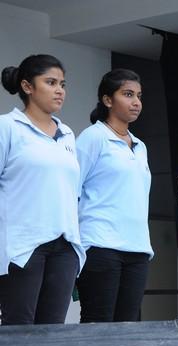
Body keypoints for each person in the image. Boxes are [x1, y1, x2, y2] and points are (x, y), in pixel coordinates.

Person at [0, 54, 84, 325]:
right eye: (51, 82)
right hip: (22, 245)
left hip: (65, 245)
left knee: (53, 332)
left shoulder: (67, 133)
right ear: (27, 86)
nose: (60, 90)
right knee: (19, 330)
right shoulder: (7, 127)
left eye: (62, 84)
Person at [76, 69, 152, 322]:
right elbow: (71, 191)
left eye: (139, 96)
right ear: (108, 100)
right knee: (98, 324)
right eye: (128, 94)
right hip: (100, 244)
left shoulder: (140, 146)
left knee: (127, 328)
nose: (136, 102)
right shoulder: (93, 137)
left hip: (138, 248)